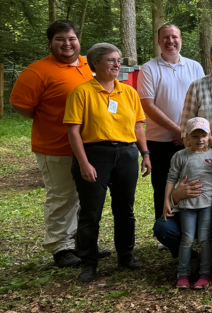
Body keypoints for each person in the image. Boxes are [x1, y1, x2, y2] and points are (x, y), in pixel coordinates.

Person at [9, 20, 96, 268]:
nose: (67, 44)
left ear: (79, 41)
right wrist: (49, 119)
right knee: (63, 197)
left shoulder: (89, 65)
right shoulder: (37, 71)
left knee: (87, 197)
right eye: (60, 39)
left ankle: (84, 243)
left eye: (71, 39)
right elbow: (21, 106)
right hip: (56, 147)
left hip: (89, 147)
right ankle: (61, 247)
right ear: (50, 43)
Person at [64, 43, 151, 283]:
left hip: (126, 154)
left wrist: (145, 153)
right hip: (94, 154)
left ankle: (126, 255)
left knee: (125, 210)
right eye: (111, 60)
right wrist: (83, 163)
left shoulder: (129, 93)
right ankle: (88, 262)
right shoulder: (81, 92)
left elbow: (137, 126)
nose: (117, 64)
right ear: (95, 63)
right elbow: (73, 131)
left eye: (119, 60)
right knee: (91, 212)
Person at [139, 24, 207, 220]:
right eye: (166, 38)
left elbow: (201, 102)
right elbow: (148, 106)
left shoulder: (194, 67)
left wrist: (187, 133)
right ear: (159, 42)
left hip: (192, 140)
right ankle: (165, 228)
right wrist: (177, 131)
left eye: (174, 37)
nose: (171, 41)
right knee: (163, 185)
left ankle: (191, 228)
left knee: (192, 183)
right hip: (160, 141)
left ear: (181, 40)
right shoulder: (149, 68)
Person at [162, 117, 212, 289]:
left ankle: (205, 273)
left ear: (209, 136)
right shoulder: (180, 156)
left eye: (203, 135)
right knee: (187, 239)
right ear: (187, 137)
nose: (200, 140)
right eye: (195, 136)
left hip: (207, 205)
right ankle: (183, 273)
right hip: (186, 206)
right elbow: (171, 178)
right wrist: (167, 201)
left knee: (205, 239)